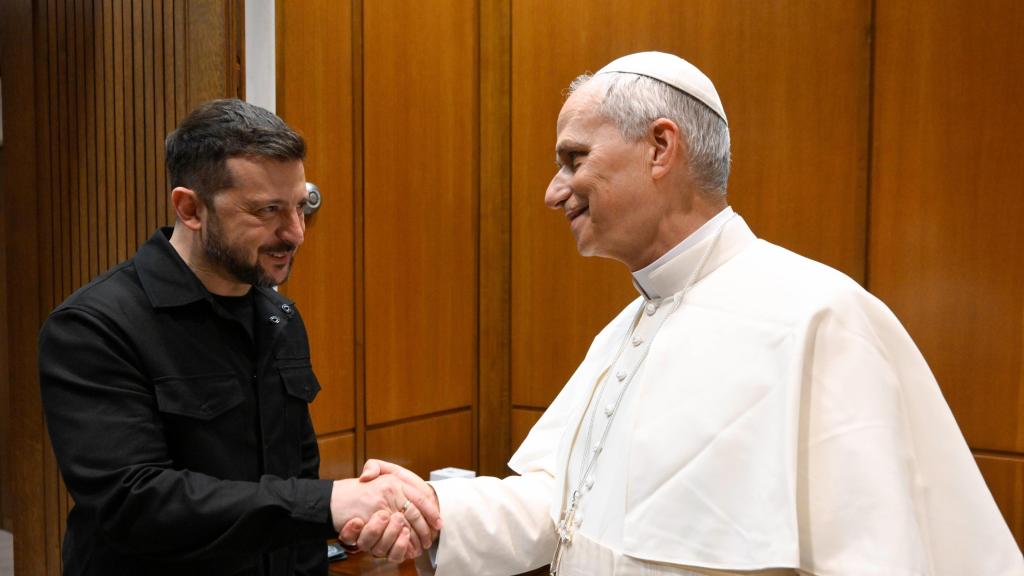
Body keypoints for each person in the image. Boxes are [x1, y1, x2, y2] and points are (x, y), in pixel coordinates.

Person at [353, 52, 1024, 575]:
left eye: (573, 159)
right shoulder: (624, 331)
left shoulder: (819, 315)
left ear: (660, 147)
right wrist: (439, 509)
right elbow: (560, 504)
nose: (554, 191)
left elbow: (880, 559)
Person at [38, 99, 439, 575]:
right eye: (267, 210)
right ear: (190, 209)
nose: (294, 233)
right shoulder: (93, 326)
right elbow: (135, 503)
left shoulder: (279, 316)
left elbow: (295, 478)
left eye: (299, 206)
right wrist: (327, 503)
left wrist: (350, 515)